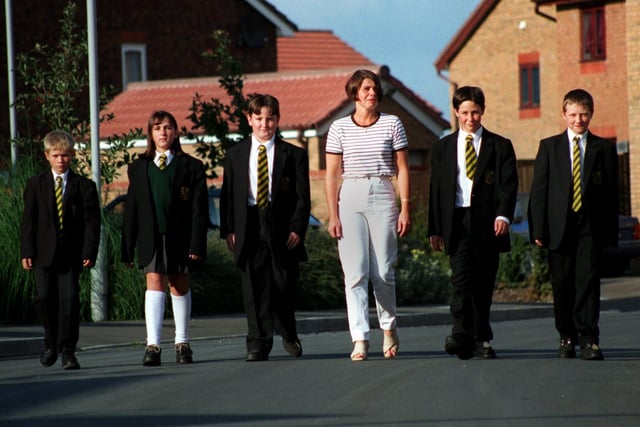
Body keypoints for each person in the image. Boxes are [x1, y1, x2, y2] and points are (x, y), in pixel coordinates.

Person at [325, 69, 411, 361]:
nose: (371, 93)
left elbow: (402, 168)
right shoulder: (338, 128)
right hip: (350, 194)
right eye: (365, 89)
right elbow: (332, 175)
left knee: (384, 270)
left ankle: (388, 327)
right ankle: (359, 337)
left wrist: (405, 206)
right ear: (354, 95)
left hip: (382, 190)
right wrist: (333, 214)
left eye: (374, 89)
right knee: (355, 272)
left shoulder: (392, 124)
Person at [428, 86, 517, 360]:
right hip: (457, 221)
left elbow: (508, 186)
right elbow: (436, 190)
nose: (470, 118)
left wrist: (503, 215)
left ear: (483, 111)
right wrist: (435, 229)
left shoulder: (499, 146)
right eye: (465, 112)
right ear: (456, 112)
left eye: (475, 112)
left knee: (483, 283)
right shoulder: (442, 148)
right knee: (461, 281)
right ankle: (460, 335)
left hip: (488, 223)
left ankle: (481, 339)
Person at [220, 94, 311, 362]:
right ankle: (258, 342)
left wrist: (297, 228)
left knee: (282, 284)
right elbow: (228, 196)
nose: (264, 124)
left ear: (278, 120)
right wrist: (228, 229)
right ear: (249, 120)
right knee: (253, 286)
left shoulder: (294, 155)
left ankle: (288, 331)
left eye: (270, 118)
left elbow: (302, 197)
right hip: (248, 222)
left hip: (280, 224)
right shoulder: (235, 155)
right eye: (258, 118)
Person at [528, 89, 617, 361]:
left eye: (584, 114)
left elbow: (612, 193)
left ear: (591, 114)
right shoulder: (550, 147)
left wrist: (610, 232)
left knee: (588, 283)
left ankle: (589, 338)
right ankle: (567, 336)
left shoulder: (603, 148)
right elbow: (539, 192)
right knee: (562, 283)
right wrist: (539, 229)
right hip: (559, 228)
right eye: (574, 115)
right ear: (564, 115)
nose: (579, 120)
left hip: (589, 228)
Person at [121, 110, 208, 366]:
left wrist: (196, 244)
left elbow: (199, 211)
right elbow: (132, 209)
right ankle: (153, 345)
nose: (163, 132)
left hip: (180, 238)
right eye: (158, 128)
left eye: (168, 127)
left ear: (176, 132)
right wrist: (127, 247)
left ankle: (182, 343)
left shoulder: (191, 166)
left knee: (179, 284)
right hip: (151, 236)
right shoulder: (138, 167)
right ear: (150, 133)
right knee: (154, 282)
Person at [20, 130, 101, 370]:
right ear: (47, 156)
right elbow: (28, 221)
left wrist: (89, 252)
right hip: (43, 254)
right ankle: (50, 341)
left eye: (65, 155)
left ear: (73, 155)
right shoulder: (36, 185)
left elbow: (92, 223)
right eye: (56, 155)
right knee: (44, 298)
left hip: (70, 255)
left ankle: (68, 350)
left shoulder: (84, 186)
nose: (60, 160)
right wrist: (27, 251)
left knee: (69, 301)